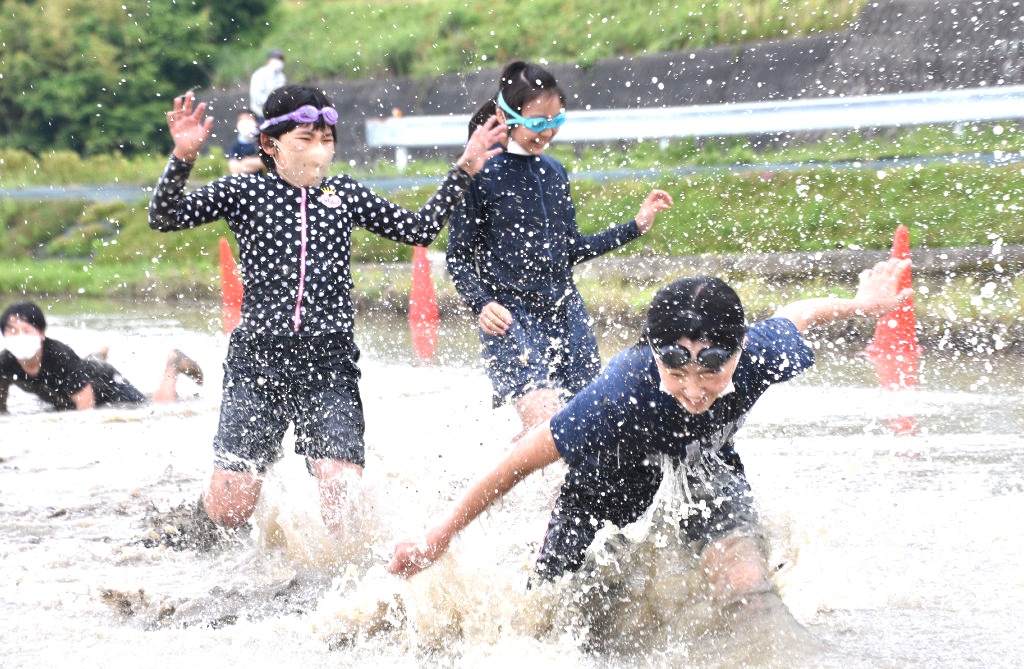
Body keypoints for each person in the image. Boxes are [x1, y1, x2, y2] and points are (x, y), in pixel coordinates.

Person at [389, 259, 913, 626]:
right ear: (655, 354)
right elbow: (519, 462)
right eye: (676, 371)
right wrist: (438, 536)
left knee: (748, 589)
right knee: (554, 615)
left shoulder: (761, 354)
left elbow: (797, 313)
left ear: (739, 350)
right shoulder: (620, 392)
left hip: (705, 470)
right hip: (604, 487)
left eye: (711, 371)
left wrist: (860, 303)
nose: (693, 391)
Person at [149, 86, 505, 537]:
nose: (319, 150)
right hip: (258, 360)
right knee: (231, 509)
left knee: (344, 498)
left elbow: (419, 229)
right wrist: (183, 157)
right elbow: (165, 216)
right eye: (305, 139)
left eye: (327, 140)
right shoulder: (244, 191)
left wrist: (465, 166)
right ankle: (196, 526)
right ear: (270, 145)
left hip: (329, 362)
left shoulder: (344, 194)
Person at [446, 61, 674, 439]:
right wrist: (481, 303)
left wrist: (636, 226)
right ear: (506, 115)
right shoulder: (480, 175)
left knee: (586, 426)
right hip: (510, 318)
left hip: (566, 314)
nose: (547, 131)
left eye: (556, 121)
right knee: (545, 423)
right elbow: (457, 257)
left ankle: (521, 474)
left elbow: (572, 249)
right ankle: (501, 474)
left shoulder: (555, 173)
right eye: (537, 122)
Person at [0, 301, 203, 413]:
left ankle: (173, 364)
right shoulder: (5, 363)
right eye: (12, 331)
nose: (19, 337)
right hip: (79, 377)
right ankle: (97, 356)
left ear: (42, 333)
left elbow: (86, 410)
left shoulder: (60, 357)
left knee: (158, 406)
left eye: (26, 331)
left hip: (107, 384)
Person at [249, 49, 286, 122]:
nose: (279, 61)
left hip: (276, 114)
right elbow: (256, 95)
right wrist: (272, 102)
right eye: (276, 58)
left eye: (280, 59)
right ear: (268, 60)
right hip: (260, 114)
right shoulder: (260, 74)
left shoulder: (281, 76)